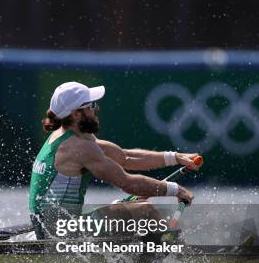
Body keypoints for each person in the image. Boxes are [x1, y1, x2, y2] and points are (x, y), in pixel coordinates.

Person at [29, 82, 201, 239]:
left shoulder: (68, 135)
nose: (96, 109)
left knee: (129, 206)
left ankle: (146, 260)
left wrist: (175, 158)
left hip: (52, 223)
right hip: (58, 232)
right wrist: (175, 190)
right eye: (91, 105)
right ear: (76, 114)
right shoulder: (78, 147)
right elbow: (127, 183)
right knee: (145, 211)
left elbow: (125, 157)